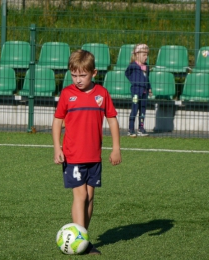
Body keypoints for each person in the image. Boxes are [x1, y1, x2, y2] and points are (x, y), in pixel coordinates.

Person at [52, 50, 122, 255]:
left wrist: (116, 148)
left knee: (90, 198)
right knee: (80, 196)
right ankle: (82, 241)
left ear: (94, 73)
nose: (78, 79)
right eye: (74, 75)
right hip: (73, 156)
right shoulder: (67, 94)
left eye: (82, 75)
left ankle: (81, 238)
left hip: (94, 156)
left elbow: (112, 120)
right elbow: (57, 122)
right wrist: (57, 147)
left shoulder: (102, 94)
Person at [125, 44, 152, 137]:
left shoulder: (146, 66)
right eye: (144, 55)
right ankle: (131, 129)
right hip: (136, 92)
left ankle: (141, 128)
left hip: (144, 92)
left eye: (147, 55)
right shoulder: (133, 65)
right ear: (137, 55)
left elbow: (147, 78)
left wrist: (149, 88)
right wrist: (134, 81)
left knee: (143, 110)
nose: (146, 57)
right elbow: (127, 73)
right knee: (135, 109)